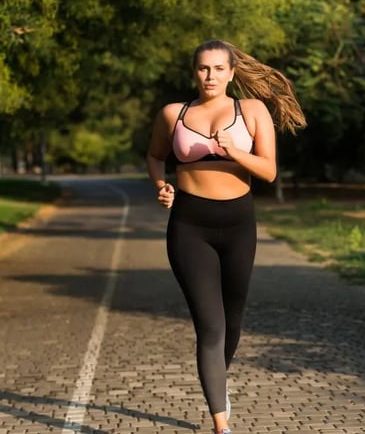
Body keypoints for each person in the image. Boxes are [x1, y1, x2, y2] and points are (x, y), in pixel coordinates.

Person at [146, 39, 306, 434]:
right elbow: (155, 157)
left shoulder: (250, 110)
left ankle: (216, 380)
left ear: (232, 73)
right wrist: (160, 185)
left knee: (232, 323)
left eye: (219, 69)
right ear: (194, 72)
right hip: (189, 226)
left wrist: (236, 152)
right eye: (203, 68)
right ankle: (222, 424)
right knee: (211, 327)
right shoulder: (174, 114)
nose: (210, 76)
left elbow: (268, 171)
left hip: (238, 225)